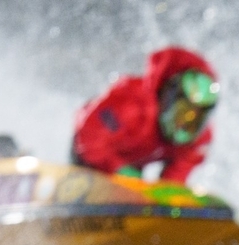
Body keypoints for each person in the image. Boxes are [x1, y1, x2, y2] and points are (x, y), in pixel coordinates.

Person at [71, 47, 219, 184]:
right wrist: (118, 169)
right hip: (89, 157)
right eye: (182, 113)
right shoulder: (132, 103)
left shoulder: (198, 140)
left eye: (195, 119)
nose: (184, 123)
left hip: (133, 169)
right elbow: (88, 138)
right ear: (168, 99)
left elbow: (173, 181)